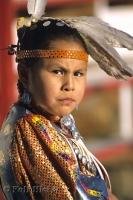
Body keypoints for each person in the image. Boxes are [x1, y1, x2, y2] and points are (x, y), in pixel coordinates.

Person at [0, 0, 133, 199]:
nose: (69, 85)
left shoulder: (53, 120)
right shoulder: (31, 128)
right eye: (57, 71)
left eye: (78, 73)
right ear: (25, 75)